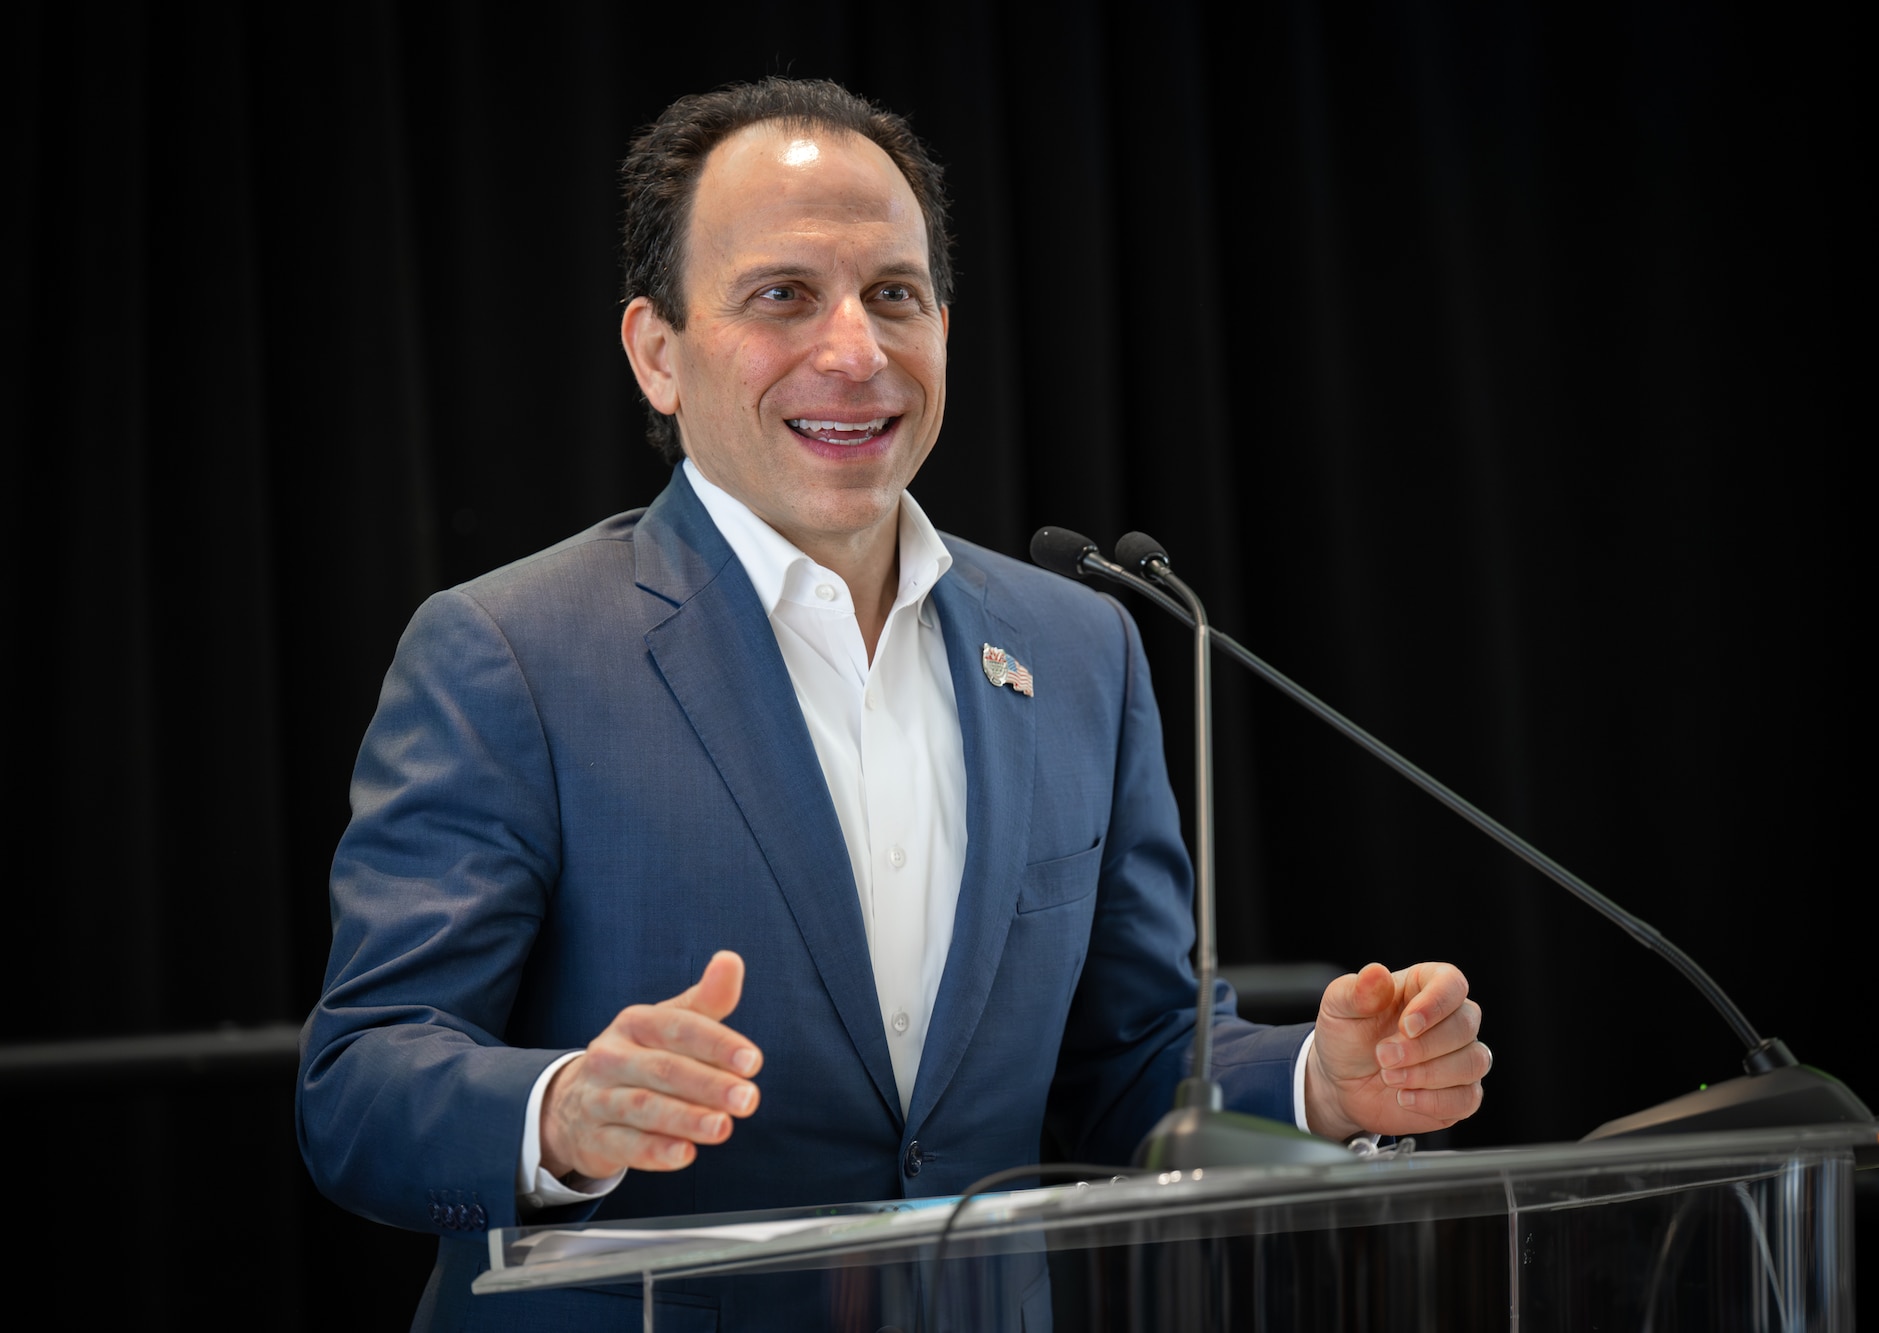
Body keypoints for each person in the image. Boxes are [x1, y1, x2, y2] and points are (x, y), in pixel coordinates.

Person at [297, 77, 1491, 1330]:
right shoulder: (510, 653)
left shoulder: (1078, 645)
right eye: (783, 297)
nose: (855, 352)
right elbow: (359, 1082)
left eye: (894, 296)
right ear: (657, 353)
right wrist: (562, 1111)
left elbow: (1131, 1054)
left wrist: (1323, 1081)